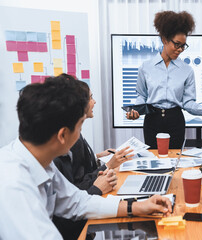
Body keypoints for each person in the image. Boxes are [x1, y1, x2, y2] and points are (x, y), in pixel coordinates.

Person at [0, 74, 172, 239]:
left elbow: (77, 202)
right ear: (62, 135)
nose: (80, 134)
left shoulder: (40, 161)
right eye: (80, 125)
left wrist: (137, 207)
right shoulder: (14, 186)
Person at [126, 11, 202, 149]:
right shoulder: (146, 67)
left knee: (176, 160)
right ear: (164, 40)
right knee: (153, 160)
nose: (180, 49)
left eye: (183, 46)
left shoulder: (187, 70)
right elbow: (142, 95)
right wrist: (135, 111)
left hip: (175, 121)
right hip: (152, 120)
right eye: (177, 44)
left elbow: (187, 102)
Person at [52, 79, 134, 240]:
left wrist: (97, 158)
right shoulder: (62, 150)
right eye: (90, 97)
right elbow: (72, 200)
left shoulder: (71, 138)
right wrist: (104, 173)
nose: (94, 101)